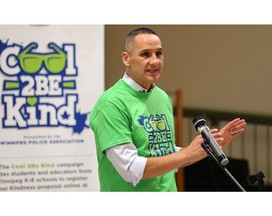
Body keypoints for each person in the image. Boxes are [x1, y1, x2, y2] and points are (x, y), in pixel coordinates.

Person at [89, 27, 246, 191]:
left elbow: (165, 153)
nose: (155, 61)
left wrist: (207, 149)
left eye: (159, 54)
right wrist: (187, 153)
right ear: (126, 58)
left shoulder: (162, 97)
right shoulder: (111, 103)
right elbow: (131, 169)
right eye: (145, 54)